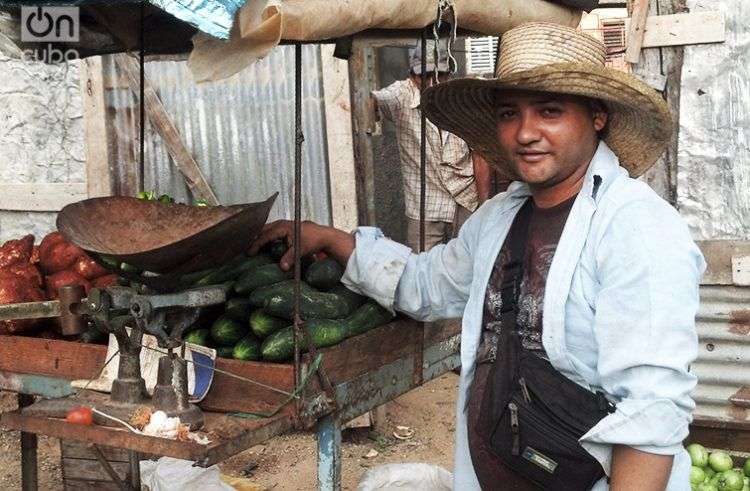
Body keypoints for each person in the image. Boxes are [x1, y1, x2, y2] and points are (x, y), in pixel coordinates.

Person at [251, 22, 704, 490]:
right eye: (510, 114)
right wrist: (333, 239)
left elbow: (650, 411)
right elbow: (427, 284)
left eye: (549, 111)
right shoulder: (501, 217)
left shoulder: (637, 228)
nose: (526, 132)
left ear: (596, 116)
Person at [372, 40, 492, 251]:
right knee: (422, 268)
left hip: (466, 199)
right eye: (425, 75)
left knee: (468, 262)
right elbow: (377, 100)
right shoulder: (403, 95)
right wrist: (369, 106)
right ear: (413, 76)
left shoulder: (463, 101)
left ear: (450, 74)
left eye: (439, 75)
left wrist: (484, 205)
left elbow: (479, 155)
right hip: (425, 205)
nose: (432, 82)